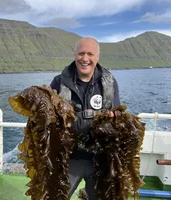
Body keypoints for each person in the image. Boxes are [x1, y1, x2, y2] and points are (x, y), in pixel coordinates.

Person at [50, 37, 120, 199]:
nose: (85, 59)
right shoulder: (59, 82)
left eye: (90, 54)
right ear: (75, 55)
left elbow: (117, 117)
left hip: (100, 158)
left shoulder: (109, 82)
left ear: (98, 56)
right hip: (69, 158)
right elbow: (49, 120)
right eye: (81, 53)